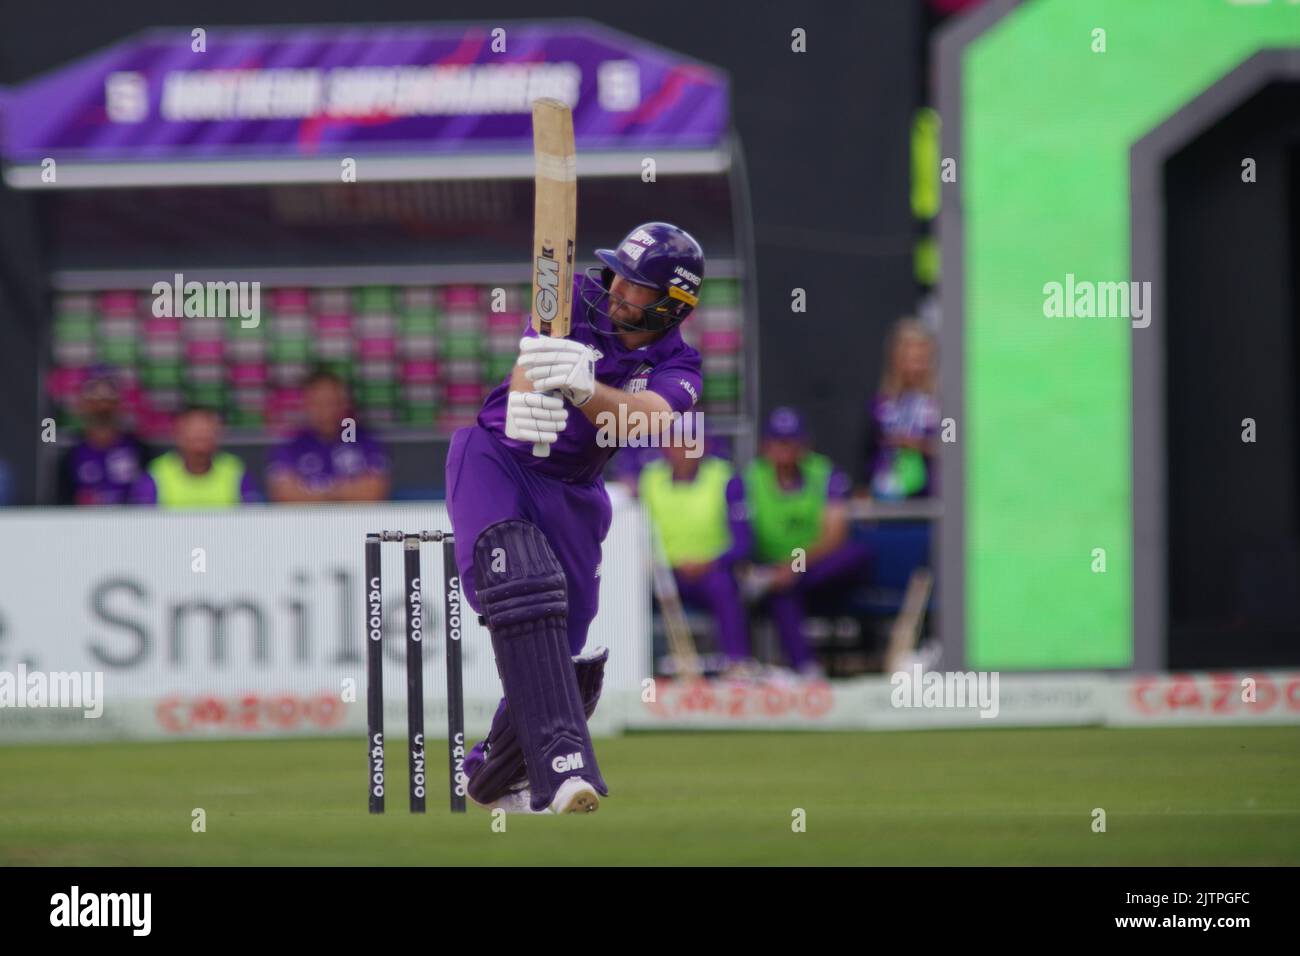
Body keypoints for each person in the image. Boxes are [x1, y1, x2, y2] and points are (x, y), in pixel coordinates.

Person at [447, 221, 705, 815]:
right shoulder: (571, 298)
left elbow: (642, 420)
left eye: (636, 284)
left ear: (671, 304)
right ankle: (563, 766)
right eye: (619, 273)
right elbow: (528, 358)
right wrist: (523, 399)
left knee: (564, 647)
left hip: (574, 492)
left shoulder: (681, 367)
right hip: (497, 461)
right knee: (521, 587)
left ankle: (491, 773)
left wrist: (586, 389)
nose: (617, 288)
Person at [744, 407, 869, 677]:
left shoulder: (824, 473)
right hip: (776, 570)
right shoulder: (751, 478)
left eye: (791, 442)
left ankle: (804, 666)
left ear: (804, 445)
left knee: (855, 553)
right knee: (780, 591)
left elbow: (834, 535)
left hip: (817, 566)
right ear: (766, 445)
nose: (785, 450)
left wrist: (794, 565)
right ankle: (807, 669)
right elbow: (740, 530)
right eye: (779, 442)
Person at [638, 439, 754, 675]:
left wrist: (711, 562)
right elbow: (637, 531)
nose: (683, 449)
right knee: (629, 592)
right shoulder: (650, 479)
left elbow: (744, 542)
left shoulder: (724, 477)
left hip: (711, 569)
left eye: (691, 441)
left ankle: (737, 665)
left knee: (723, 587)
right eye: (676, 442)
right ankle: (638, 670)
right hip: (663, 573)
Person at [266, 370, 390, 503]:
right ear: (306, 404)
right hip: (306, 522)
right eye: (317, 403)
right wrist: (342, 492)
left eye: (331, 402)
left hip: (355, 522)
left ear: (344, 404)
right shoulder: (290, 446)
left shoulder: (366, 442)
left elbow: (373, 492)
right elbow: (284, 495)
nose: (325, 411)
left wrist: (315, 492)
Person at [864, 318, 940, 499]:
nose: (916, 368)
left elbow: (951, 444)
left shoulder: (941, 406)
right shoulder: (881, 404)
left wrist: (918, 444)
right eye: (910, 359)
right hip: (885, 500)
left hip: (928, 504)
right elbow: (867, 451)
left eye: (922, 359)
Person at [130, 407, 259, 508]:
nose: (200, 436)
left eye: (207, 431)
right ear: (177, 435)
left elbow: (253, 515)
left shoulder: (234, 469)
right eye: (194, 431)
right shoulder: (157, 472)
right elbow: (142, 520)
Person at [57, 368, 150, 506]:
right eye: (94, 399)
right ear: (83, 405)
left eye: (108, 399)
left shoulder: (139, 450)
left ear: (119, 403)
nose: (102, 407)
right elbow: (60, 506)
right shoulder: (71, 456)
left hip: (131, 523)